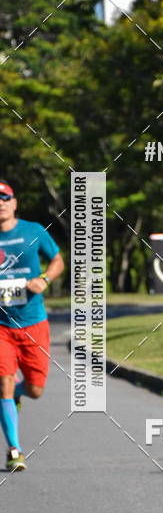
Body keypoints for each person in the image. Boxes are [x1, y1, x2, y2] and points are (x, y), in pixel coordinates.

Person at [0, 181, 64, 471]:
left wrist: (45, 280)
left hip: (33, 322)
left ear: (14, 202)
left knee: (36, 389)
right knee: (3, 379)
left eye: (5, 197)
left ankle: (15, 394)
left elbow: (58, 261)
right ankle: (14, 449)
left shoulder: (33, 230)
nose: (0, 203)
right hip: (1, 324)